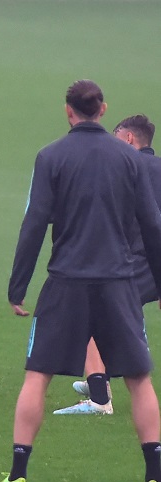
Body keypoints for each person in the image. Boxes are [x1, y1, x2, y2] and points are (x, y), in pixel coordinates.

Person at [0, 81, 161, 482]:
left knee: (37, 377)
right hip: (119, 283)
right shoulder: (130, 158)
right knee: (139, 380)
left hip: (66, 282)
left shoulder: (51, 156)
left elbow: (34, 223)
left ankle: (17, 477)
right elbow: (152, 225)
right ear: (103, 109)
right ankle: (156, 479)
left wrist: (17, 286)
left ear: (69, 111)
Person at [54, 114, 161, 415]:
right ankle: (99, 379)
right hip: (150, 261)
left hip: (137, 260)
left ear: (129, 139)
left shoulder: (125, 167)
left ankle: (100, 398)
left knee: (90, 313)